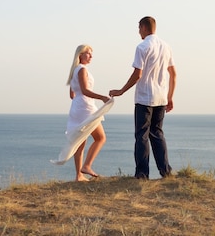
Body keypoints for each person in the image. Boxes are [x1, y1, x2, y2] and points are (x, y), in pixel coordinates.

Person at [109, 16, 177, 179]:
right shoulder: (166, 46)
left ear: (144, 27)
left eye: (139, 28)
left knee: (142, 136)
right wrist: (170, 97)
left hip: (145, 98)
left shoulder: (142, 47)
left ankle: (142, 174)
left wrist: (121, 91)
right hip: (161, 98)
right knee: (158, 133)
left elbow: (137, 74)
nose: (138, 31)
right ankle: (165, 171)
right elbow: (173, 74)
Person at [66, 44, 110, 181]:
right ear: (80, 55)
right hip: (85, 107)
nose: (91, 56)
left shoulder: (75, 70)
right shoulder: (82, 70)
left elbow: (72, 94)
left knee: (81, 141)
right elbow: (85, 91)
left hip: (77, 106)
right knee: (100, 138)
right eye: (88, 53)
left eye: (91, 54)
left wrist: (79, 100)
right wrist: (102, 97)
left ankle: (79, 175)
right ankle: (86, 166)